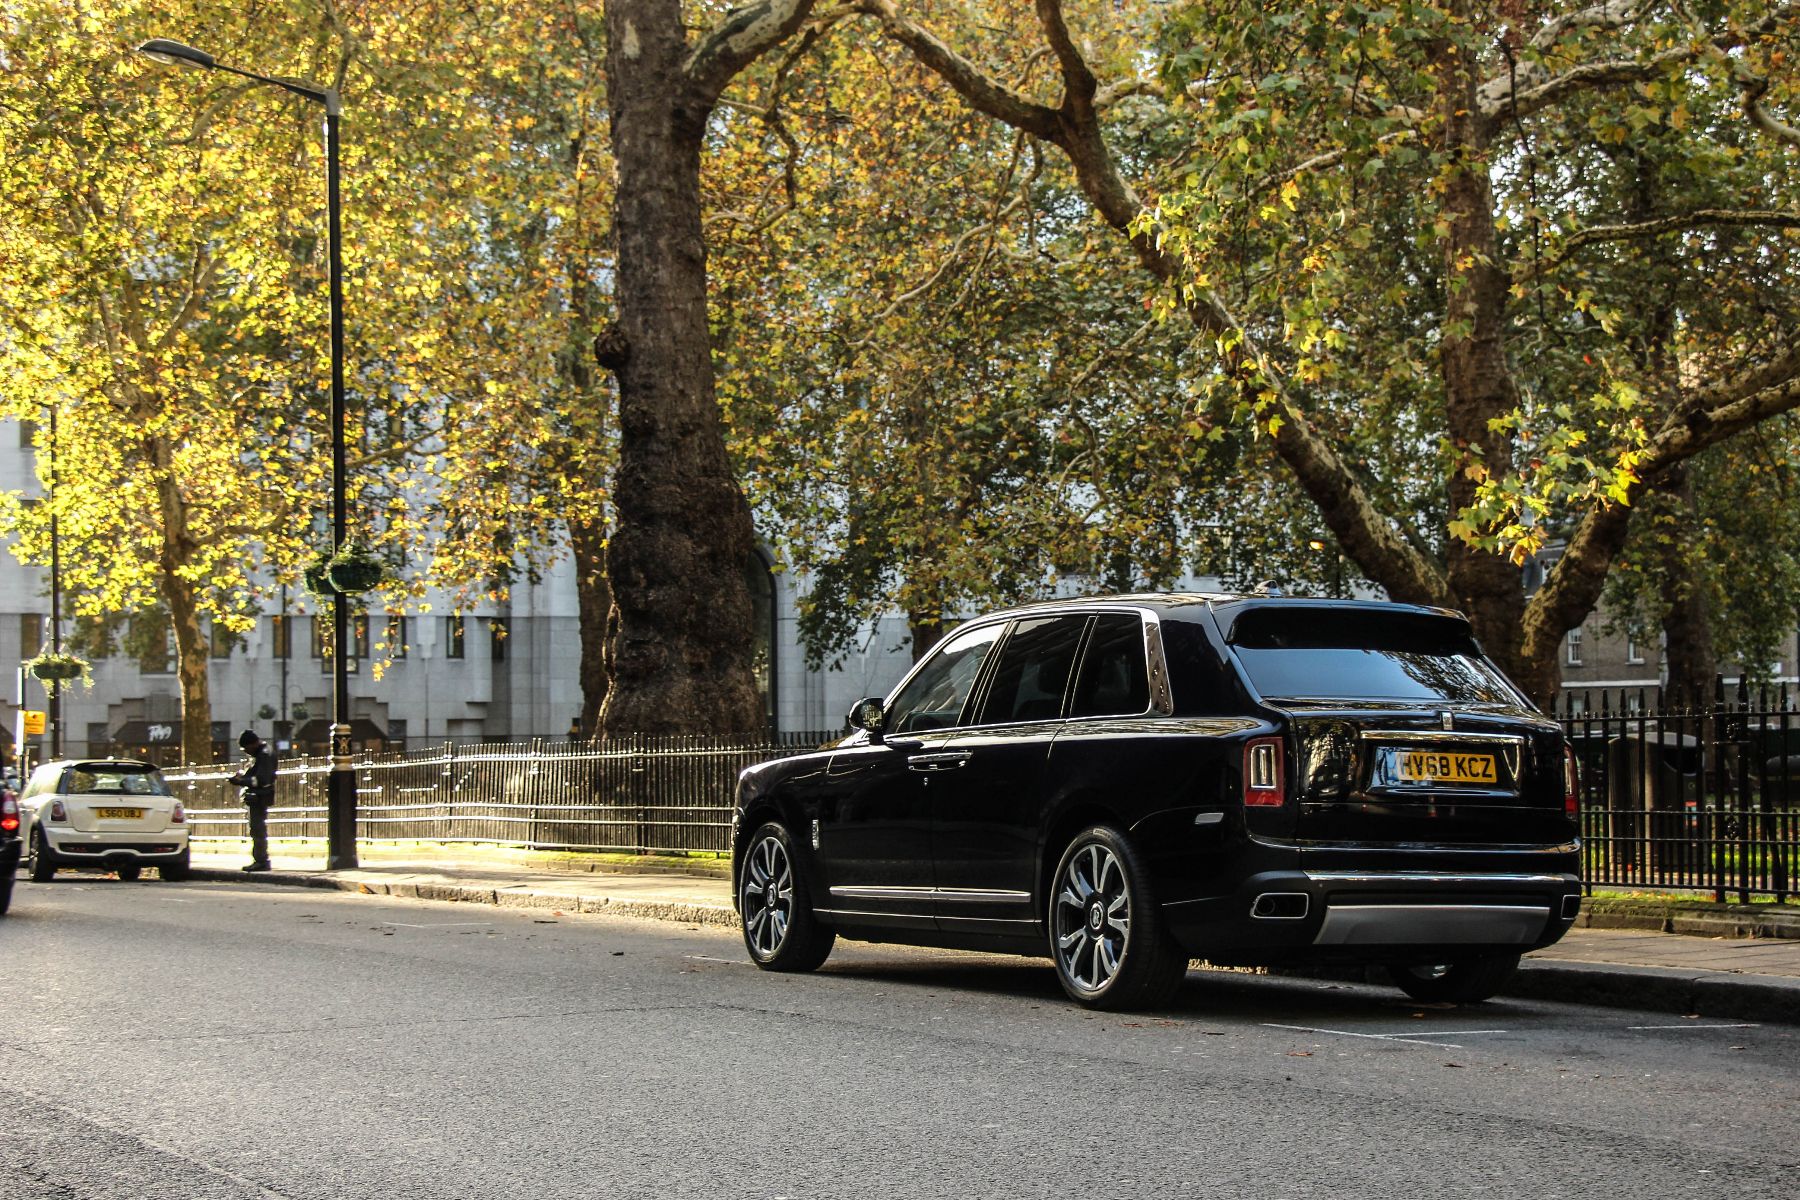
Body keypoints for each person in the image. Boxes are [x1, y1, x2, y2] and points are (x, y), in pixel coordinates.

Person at [228, 729, 276, 872]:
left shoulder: (264, 754)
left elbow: (261, 779)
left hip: (260, 796)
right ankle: (260, 859)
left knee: (257, 828)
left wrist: (241, 781)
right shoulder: (262, 752)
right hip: (258, 796)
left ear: (253, 744)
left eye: (247, 749)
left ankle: (261, 860)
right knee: (256, 828)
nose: (247, 752)